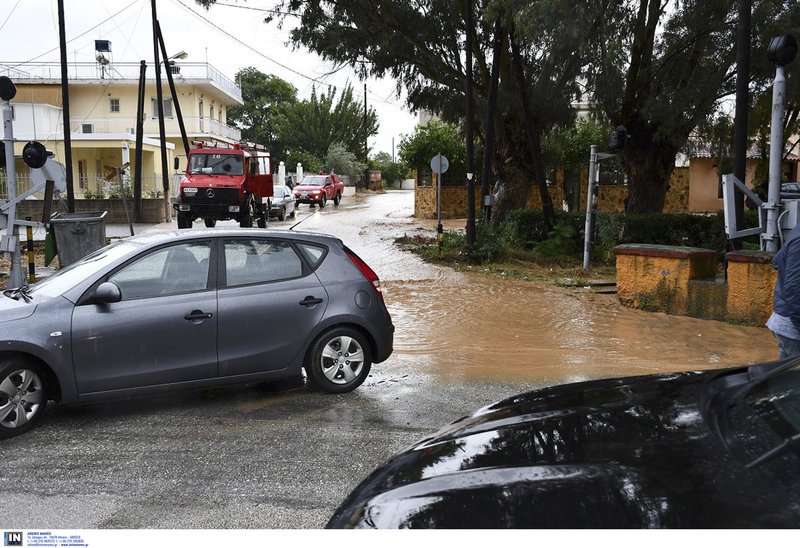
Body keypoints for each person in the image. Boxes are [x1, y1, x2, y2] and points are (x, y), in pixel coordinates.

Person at [767, 222, 800, 359]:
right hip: (792, 326)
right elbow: (793, 290)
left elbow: (776, 261)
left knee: (786, 377)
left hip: (784, 322)